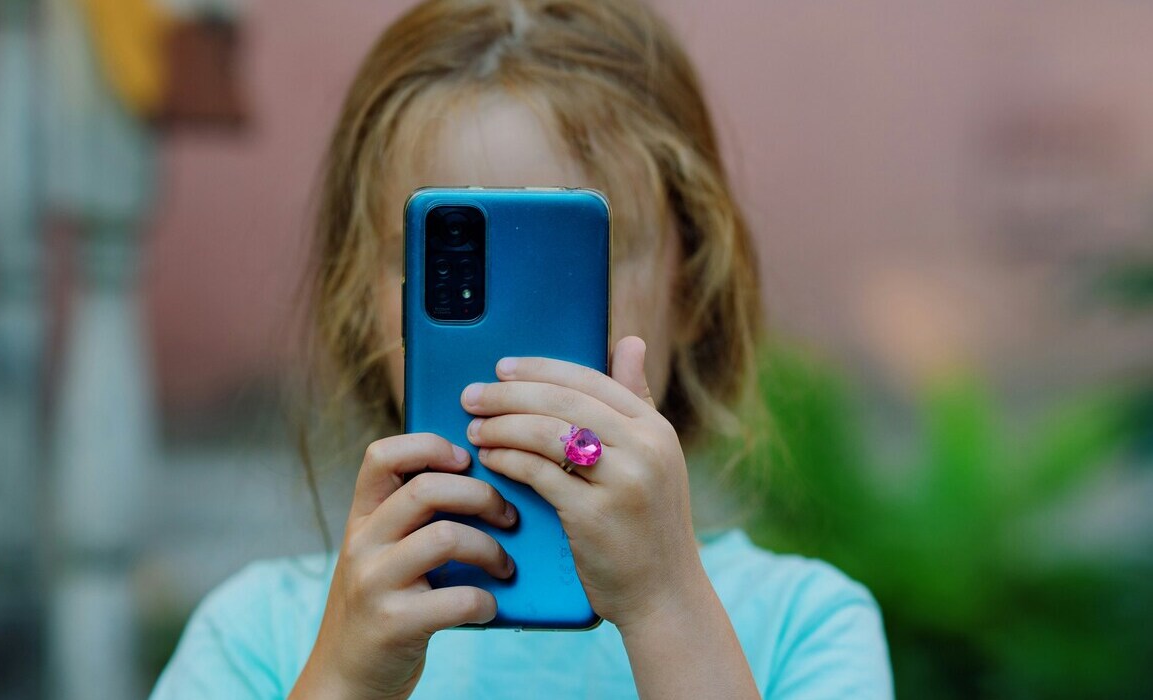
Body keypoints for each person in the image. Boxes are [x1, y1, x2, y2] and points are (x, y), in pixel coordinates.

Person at [150, 1, 893, 697]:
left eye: (572, 258)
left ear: (692, 286)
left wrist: (666, 607)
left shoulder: (803, 626)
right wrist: (346, 680)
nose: (520, 341)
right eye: (449, 258)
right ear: (358, 305)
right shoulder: (257, 637)